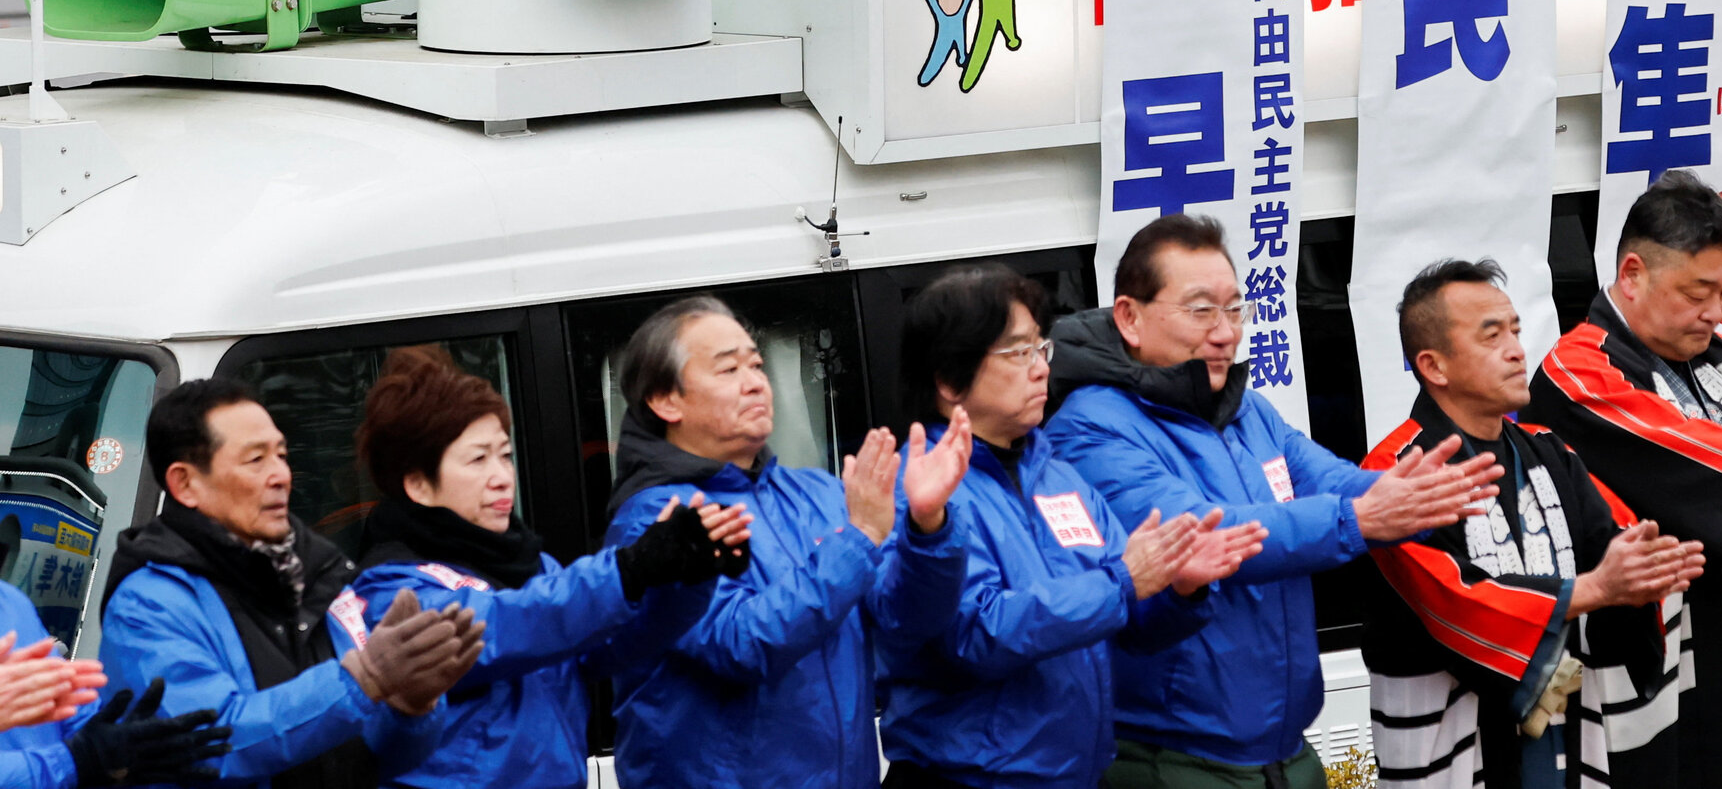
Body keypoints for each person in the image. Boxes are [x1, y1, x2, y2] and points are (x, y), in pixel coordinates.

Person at [1046, 214, 1503, 789]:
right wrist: (1360, 518)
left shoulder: (1245, 408)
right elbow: (1205, 532)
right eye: (1201, 311)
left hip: (1283, 750)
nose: (1225, 332)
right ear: (1129, 317)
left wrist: (1412, 494)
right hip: (1175, 759)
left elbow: (1329, 480)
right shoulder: (1091, 426)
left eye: (1235, 309)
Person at [876, 264, 1267, 789]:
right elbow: (977, 635)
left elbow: (1127, 620)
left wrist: (1178, 589)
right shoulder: (920, 493)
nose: (1041, 369)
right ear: (948, 379)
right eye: (1019, 353)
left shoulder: (1057, 476)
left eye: (1042, 349)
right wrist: (1124, 581)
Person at [601, 293, 974, 789]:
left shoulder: (816, 492)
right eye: (728, 369)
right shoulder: (654, 519)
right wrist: (860, 538)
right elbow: (742, 644)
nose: (756, 382)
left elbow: (907, 622)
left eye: (757, 365)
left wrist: (929, 527)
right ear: (666, 400)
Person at [1364, 258, 1703, 788]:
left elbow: (1612, 541)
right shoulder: (1392, 472)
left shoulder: (1549, 451)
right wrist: (1594, 589)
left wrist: (1644, 572)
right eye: (1491, 336)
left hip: (1562, 725)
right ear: (1434, 366)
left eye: (1516, 332)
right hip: (1455, 736)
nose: (1517, 350)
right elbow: (1452, 599)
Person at [351, 345, 753, 789]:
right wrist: (633, 567)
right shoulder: (390, 589)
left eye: (505, 455)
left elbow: (605, 649)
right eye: (478, 459)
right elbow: (505, 627)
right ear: (418, 485)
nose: (502, 477)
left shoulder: (533, 564)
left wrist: (688, 578)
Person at [1532, 173, 1722, 789]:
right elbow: (1708, 464)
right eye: (1698, 291)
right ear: (1632, 274)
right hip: (1657, 658)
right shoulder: (1578, 370)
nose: (1715, 312)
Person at [100, 379, 482, 789]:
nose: (281, 475)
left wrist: (411, 708)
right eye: (256, 460)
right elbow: (211, 744)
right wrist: (363, 681)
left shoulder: (318, 574)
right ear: (185, 484)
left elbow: (372, 759)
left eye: (282, 455)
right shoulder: (148, 604)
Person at [0, 579, 231, 788]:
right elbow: (78, 758)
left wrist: (121, 741)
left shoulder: (10, 602)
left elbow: (67, 706)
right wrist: (76, 760)